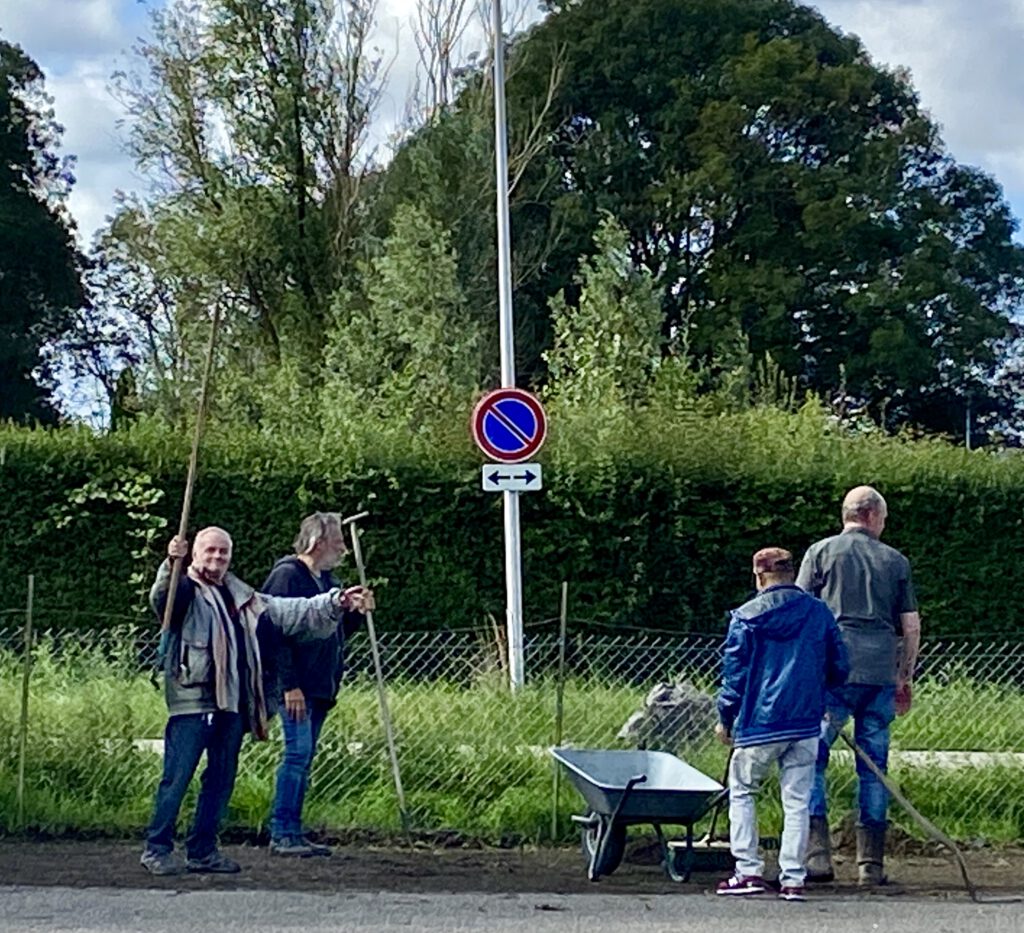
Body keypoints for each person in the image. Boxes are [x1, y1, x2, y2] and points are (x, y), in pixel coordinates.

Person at [140, 526, 357, 877]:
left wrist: (334, 602)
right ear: (195, 554)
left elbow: (288, 611)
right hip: (192, 701)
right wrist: (171, 563)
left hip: (232, 703)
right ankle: (157, 849)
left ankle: (203, 850)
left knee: (221, 780)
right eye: (209, 551)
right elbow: (164, 601)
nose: (217, 558)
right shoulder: (185, 589)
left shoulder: (241, 596)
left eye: (223, 552)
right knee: (176, 779)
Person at [797, 486, 922, 886]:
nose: (884, 526)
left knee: (811, 759)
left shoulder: (819, 552)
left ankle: (816, 855)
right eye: (883, 519)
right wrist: (904, 674)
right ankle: (871, 865)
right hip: (879, 674)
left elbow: (800, 613)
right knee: (874, 767)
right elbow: (911, 626)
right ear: (871, 516)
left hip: (832, 674)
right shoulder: (895, 561)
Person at [716, 547, 849, 902]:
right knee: (797, 801)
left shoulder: (746, 617)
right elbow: (840, 666)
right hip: (805, 723)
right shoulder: (819, 613)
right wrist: (821, 695)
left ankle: (748, 871)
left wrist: (725, 717)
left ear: (759, 576)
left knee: (743, 791)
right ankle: (793, 877)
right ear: (791, 573)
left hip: (759, 723)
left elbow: (735, 676)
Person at [264, 512, 373, 857]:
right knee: (296, 755)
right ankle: (282, 832)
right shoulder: (287, 577)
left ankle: (292, 830)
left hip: (320, 685)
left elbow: (336, 634)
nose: (342, 546)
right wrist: (288, 685)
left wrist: (355, 612)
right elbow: (272, 633)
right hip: (297, 687)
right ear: (317, 542)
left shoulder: (326, 580)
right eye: (336, 540)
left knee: (304, 756)